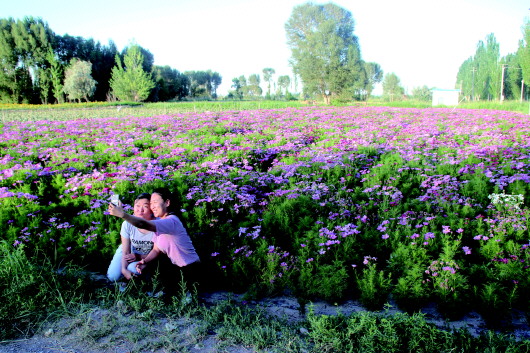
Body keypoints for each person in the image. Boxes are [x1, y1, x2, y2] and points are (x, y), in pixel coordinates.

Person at [108, 188, 201, 299]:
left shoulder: (171, 221)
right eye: (151, 203)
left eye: (154, 203)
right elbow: (157, 250)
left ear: (167, 203)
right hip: (175, 266)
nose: (152, 206)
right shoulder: (160, 222)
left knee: (178, 297)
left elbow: (143, 224)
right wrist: (144, 261)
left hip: (189, 268)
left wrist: (123, 214)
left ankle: (186, 293)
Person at [107, 192, 155, 281]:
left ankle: (142, 281)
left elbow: (158, 253)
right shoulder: (127, 224)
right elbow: (126, 251)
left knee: (133, 269)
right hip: (130, 250)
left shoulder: (156, 225)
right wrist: (124, 269)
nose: (140, 210)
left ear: (152, 209)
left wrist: (139, 257)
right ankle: (125, 279)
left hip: (146, 256)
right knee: (112, 276)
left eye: (145, 206)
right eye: (137, 205)